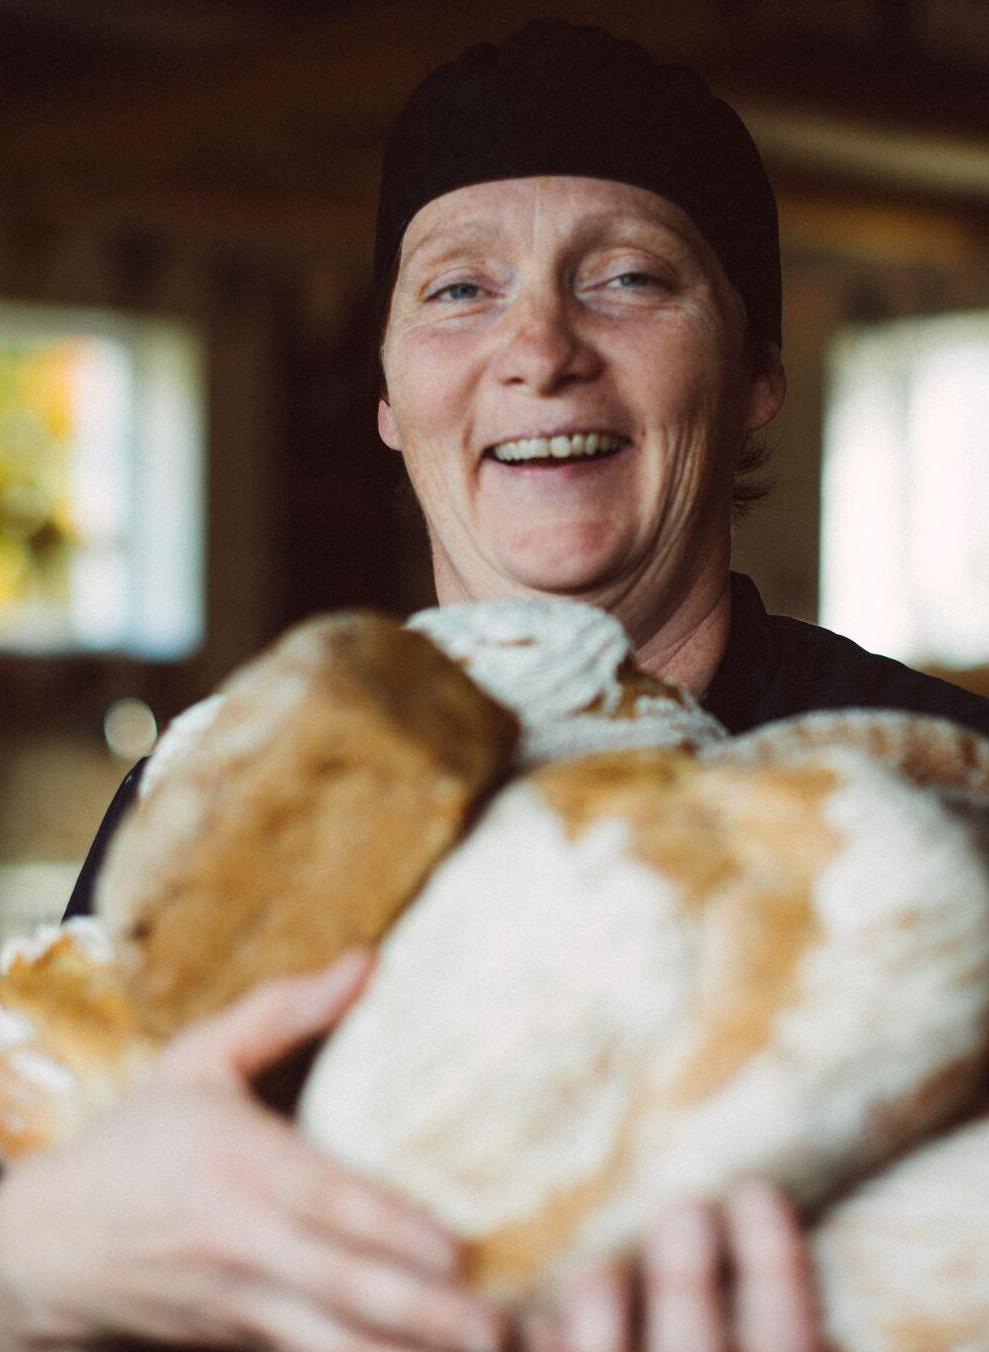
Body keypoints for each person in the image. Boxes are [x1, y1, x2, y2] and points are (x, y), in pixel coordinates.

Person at [3, 19, 987, 1351]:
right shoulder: (228, 792)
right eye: (459, 289)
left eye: (628, 278)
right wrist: (33, 1262)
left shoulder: (941, 790)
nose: (538, 349)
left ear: (757, 370)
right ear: (388, 393)